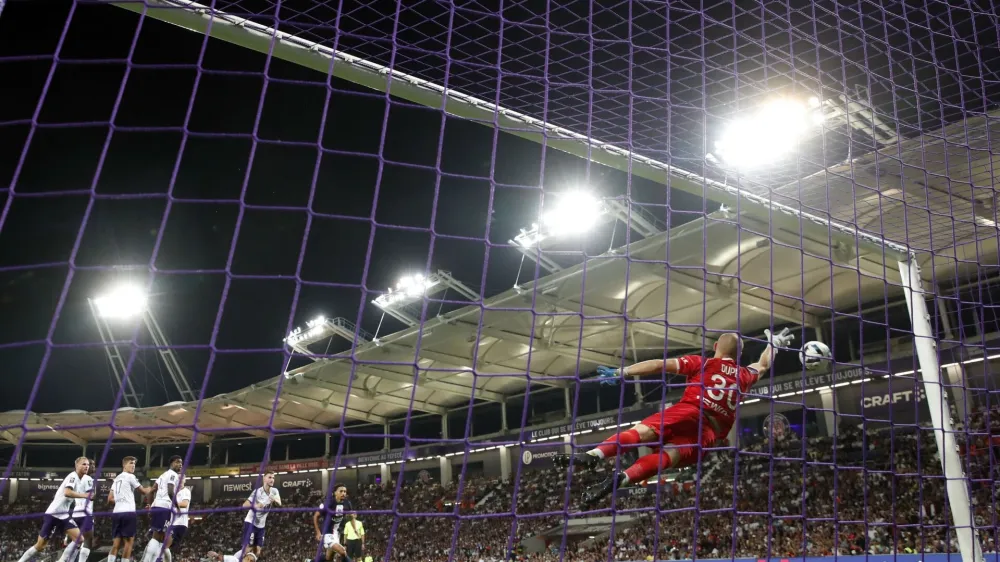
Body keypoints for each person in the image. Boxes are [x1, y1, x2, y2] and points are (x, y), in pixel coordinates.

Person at [555, 328, 794, 504]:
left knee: (641, 432)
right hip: (710, 434)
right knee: (667, 458)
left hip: (691, 409)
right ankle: (622, 479)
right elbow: (762, 365)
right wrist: (773, 345)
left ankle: (594, 455)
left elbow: (659, 364)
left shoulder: (704, 363)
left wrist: (623, 371)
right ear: (739, 354)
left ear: (715, 348)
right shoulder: (743, 376)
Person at [15, 457, 93, 562]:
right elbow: (67, 492)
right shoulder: (73, 476)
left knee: (80, 539)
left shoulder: (81, 479)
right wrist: (85, 495)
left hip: (63, 514)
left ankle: (61, 560)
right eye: (84, 464)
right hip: (53, 513)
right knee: (40, 546)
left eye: (87, 464)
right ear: (77, 466)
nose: (87, 466)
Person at [105, 456, 151, 562]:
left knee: (116, 544)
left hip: (117, 513)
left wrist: (121, 499)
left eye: (134, 464)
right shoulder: (130, 476)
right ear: (124, 465)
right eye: (131, 463)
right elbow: (143, 491)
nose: (133, 466)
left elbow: (110, 499)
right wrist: (151, 488)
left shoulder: (116, 479)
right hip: (128, 513)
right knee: (129, 542)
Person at [142, 456, 183, 562]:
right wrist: (177, 508)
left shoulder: (163, 475)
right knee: (157, 536)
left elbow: (151, 491)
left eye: (181, 463)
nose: (180, 465)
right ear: (172, 463)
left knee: (161, 537)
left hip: (158, 506)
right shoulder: (173, 475)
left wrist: (151, 506)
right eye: (178, 462)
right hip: (164, 506)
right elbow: (170, 491)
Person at [56, 459, 96, 562]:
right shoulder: (88, 479)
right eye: (90, 465)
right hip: (85, 513)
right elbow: (91, 496)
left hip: (76, 513)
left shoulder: (77, 478)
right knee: (87, 540)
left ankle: (66, 559)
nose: (92, 467)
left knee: (76, 541)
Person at [313, 484, 360, 562]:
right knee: (343, 552)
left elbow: (352, 517)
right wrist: (318, 532)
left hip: (336, 533)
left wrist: (355, 529)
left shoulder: (347, 503)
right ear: (335, 493)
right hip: (327, 533)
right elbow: (315, 516)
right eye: (341, 491)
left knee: (329, 558)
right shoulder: (329, 503)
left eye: (345, 491)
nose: (343, 493)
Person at [241, 471, 281, 559]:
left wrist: (273, 499)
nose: (272, 480)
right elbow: (244, 505)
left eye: (273, 478)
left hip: (261, 525)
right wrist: (257, 505)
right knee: (247, 548)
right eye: (270, 477)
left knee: (257, 551)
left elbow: (279, 504)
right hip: (251, 522)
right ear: (264, 478)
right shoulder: (257, 492)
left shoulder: (274, 491)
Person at [163, 476, 191, 562]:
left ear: (185, 480)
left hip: (180, 523)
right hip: (172, 522)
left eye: (182, 477)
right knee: (162, 547)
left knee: (164, 546)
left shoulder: (185, 491)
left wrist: (173, 504)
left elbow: (184, 504)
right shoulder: (173, 493)